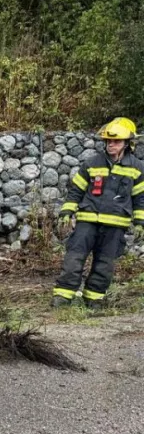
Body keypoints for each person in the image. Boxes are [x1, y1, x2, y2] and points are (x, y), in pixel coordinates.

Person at [52, 117, 144, 309]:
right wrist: (67, 210)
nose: (111, 145)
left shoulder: (137, 168)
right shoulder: (92, 163)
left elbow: (140, 198)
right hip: (87, 221)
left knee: (105, 263)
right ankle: (62, 297)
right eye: (108, 141)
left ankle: (93, 299)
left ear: (127, 144)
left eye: (116, 141)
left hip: (116, 226)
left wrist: (140, 221)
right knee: (74, 257)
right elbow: (76, 190)